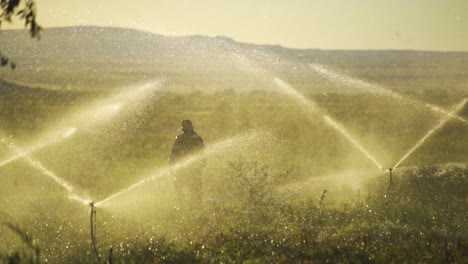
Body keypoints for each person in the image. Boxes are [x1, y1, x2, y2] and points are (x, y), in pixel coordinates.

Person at [169, 120, 205, 205]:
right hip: (192, 168)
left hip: (184, 168)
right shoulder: (197, 138)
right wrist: (202, 166)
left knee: (181, 187)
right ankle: (194, 205)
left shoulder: (180, 138)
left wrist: (172, 164)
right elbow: (203, 154)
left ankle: (183, 205)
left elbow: (173, 153)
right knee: (194, 189)